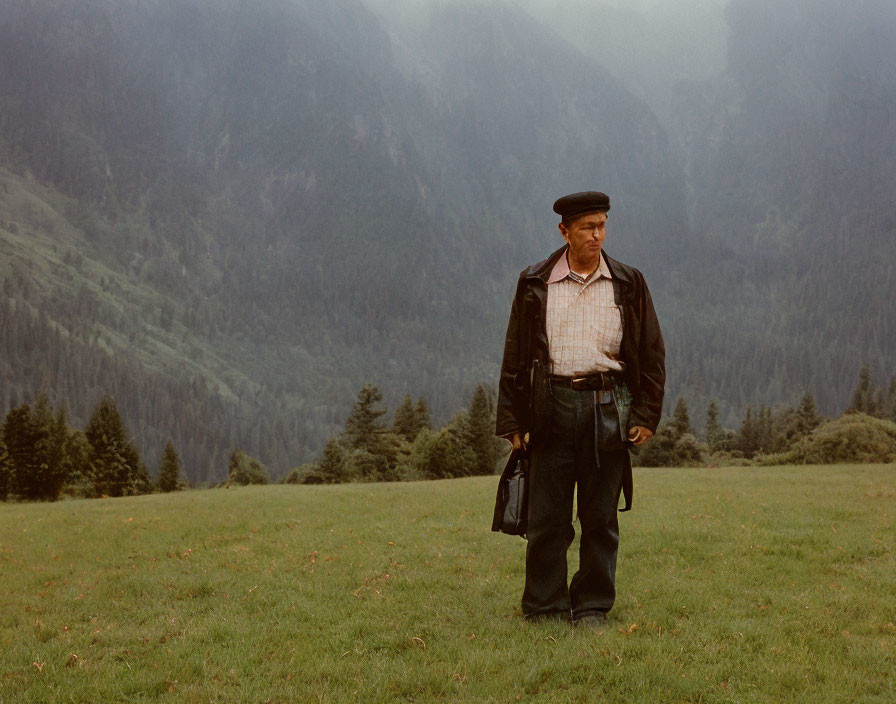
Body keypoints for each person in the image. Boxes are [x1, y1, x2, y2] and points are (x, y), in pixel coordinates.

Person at [495, 191, 665, 629]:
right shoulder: (534, 282)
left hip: (608, 408)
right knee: (547, 518)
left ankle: (591, 606)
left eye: (602, 225)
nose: (597, 235)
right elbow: (516, 354)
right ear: (564, 230)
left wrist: (645, 415)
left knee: (600, 518)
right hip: (551, 407)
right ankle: (545, 607)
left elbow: (651, 353)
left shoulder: (628, 283)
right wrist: (514, 422)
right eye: (588, 227)